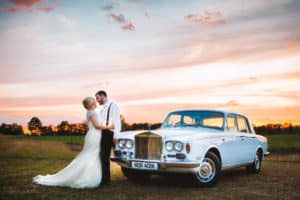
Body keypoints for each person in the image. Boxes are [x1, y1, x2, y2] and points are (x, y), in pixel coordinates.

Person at [32, 97, 113, 188]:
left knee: (92, 154)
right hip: (94, 136)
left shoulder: (92, 112)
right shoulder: (92, 113)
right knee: (90, 155)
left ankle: (89, 174)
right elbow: (97, 126)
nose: (95, 102)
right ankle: (87, 176)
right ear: (91, 104)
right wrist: (109, 127)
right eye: (94, 101)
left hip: (95, 135)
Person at [95, 90, 121, 185]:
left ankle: (105, 181)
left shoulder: (113, 105)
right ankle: (105, 179)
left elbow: (117, 121)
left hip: (110, 134)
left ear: (103, 96)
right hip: (103, 133)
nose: (97, 101)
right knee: (103, 157)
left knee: (108, 156)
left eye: (98, 98)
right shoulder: (102, 110)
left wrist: (116, 136)